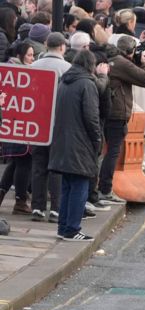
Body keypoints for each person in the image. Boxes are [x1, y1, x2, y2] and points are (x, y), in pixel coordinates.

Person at [48, 50, 103, 242]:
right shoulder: (87, 83)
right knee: (80, 186)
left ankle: (63, 227)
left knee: (67, 187)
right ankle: (72, 229)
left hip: (63, 140)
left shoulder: (64, 81)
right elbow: (91, 116)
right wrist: (97, 140)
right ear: (91, 64)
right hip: (80, 142)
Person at [97, 33, 145, 203]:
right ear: (131, 51)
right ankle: (105, 190)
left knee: (102, 151)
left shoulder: (110, 59)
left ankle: (99, 188)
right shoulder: (121, 63)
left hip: (106, 111)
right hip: (117, 113)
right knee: (113, 151)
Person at [29, 32, 71, 223]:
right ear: (62, 47)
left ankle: (37, 207)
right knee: (57, 167)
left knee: (38, 166)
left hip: (37, 123)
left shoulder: (33, 66)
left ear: (46, 46)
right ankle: (55, 208)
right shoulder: (67, 68)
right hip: (59, 124)